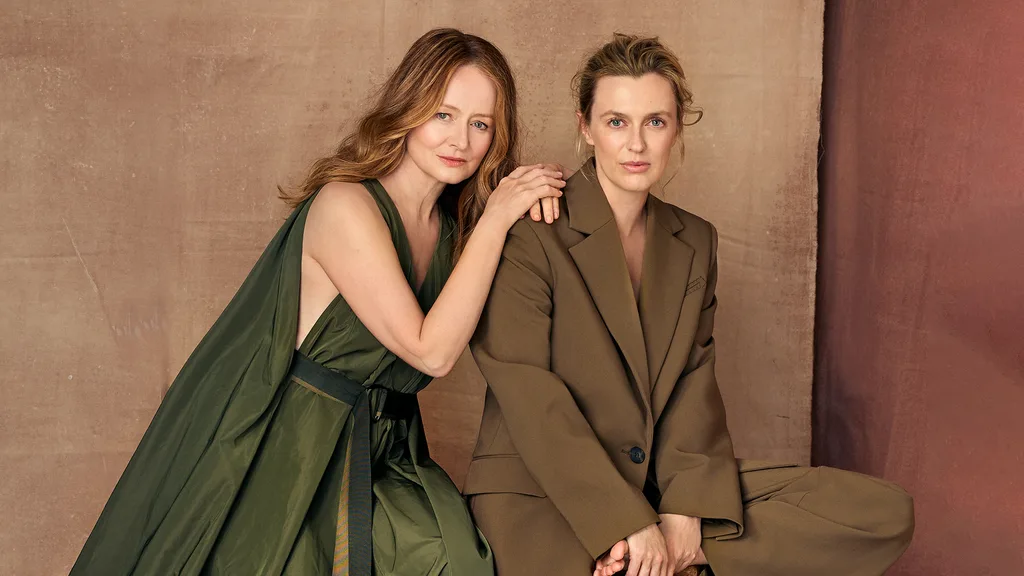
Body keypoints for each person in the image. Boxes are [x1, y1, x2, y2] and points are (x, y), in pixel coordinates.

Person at [72, 28, 566, 576]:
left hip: (388, 451)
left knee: (453, 556)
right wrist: (500, 215)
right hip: (289, 448)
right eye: (443, 115)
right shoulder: (345, 206)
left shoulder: (455, 231)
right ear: (408, 110)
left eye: (481, 124)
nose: (461, 141)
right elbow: (432, 353)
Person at [465, 33, 915, 576]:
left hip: (657, 476)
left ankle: (681, 553)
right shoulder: (532, 227)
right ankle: (641, 554)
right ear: (585, 127)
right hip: (541, 491)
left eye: (654, 121)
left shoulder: (694, 240)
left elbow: (692, 381)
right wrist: (625, 523)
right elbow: (529, 397)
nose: (636, 144)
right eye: (616, 122)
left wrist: (686, 508)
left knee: (881, 514)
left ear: (677, 128)